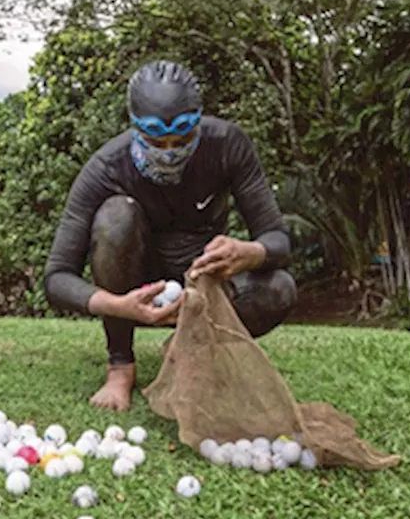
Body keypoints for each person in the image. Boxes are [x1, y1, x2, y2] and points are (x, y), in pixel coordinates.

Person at [42, 60, 298, 412]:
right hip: (136, 283)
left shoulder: (227, 145)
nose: (169, 151)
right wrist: (118, 305)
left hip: (204, 279)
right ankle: (120, 367)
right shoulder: (105, 168)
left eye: (182, 139)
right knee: (115, 217)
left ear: (198, 123)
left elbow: (277, 240)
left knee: (279, 287)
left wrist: (248, 252)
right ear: (134, 128)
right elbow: (57, 277)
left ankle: (193, 355)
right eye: (155, 141)